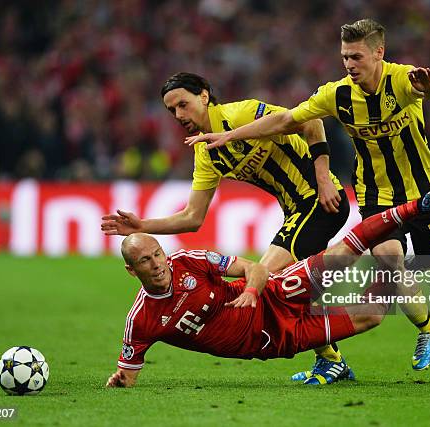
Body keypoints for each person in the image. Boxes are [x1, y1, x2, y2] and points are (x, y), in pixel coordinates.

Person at [184, 19, 430, 384]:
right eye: (345, 56)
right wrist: (230, 136)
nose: (349, 63)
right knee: (388, 260)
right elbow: (286, 119)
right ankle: (428, 328)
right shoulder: (337, 94)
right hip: (376, 195)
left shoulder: (401, 79)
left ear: (379, 53)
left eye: (357, 56)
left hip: (425, 190)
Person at [101, 72, 353, 384]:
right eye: (172, 111)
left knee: (265, 278)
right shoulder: (205, 153)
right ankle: (336, 351)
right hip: (295, 211)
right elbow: (193, 217)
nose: (179, 115)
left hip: (318, 200)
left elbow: (310, 122)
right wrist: (142, 225)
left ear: (204, 96)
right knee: (294, 282)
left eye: (183, 104)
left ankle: (333, 355)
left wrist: (325, 177)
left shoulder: (241, 114)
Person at [106, 188, 430, 388]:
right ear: (131, 271)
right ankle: (396, 268)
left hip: (275, 292)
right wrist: (120, 380)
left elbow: (252, 268)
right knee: (372, 316)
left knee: (341, 253)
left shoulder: (188, 260)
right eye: (146, 262)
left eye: (157, 254)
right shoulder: (141, 321)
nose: (157, 264)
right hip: (277, 338)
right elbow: (127, 375)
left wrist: (252, 292)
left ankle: (421, 206)